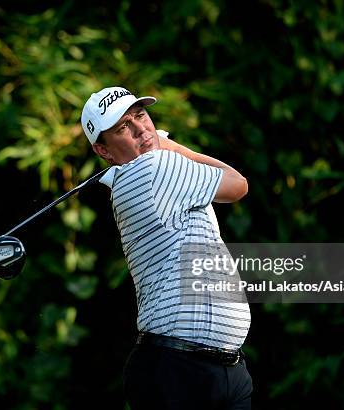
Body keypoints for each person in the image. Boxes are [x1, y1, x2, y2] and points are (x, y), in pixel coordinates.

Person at [81, 86, 252, 409]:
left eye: (140, 116)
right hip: (178, 369)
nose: (141, 129)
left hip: (219, 369)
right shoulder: (153, 169)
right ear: (103, 151)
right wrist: (173, 146)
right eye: (122, 128)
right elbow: (237, 184)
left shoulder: (134, 177)